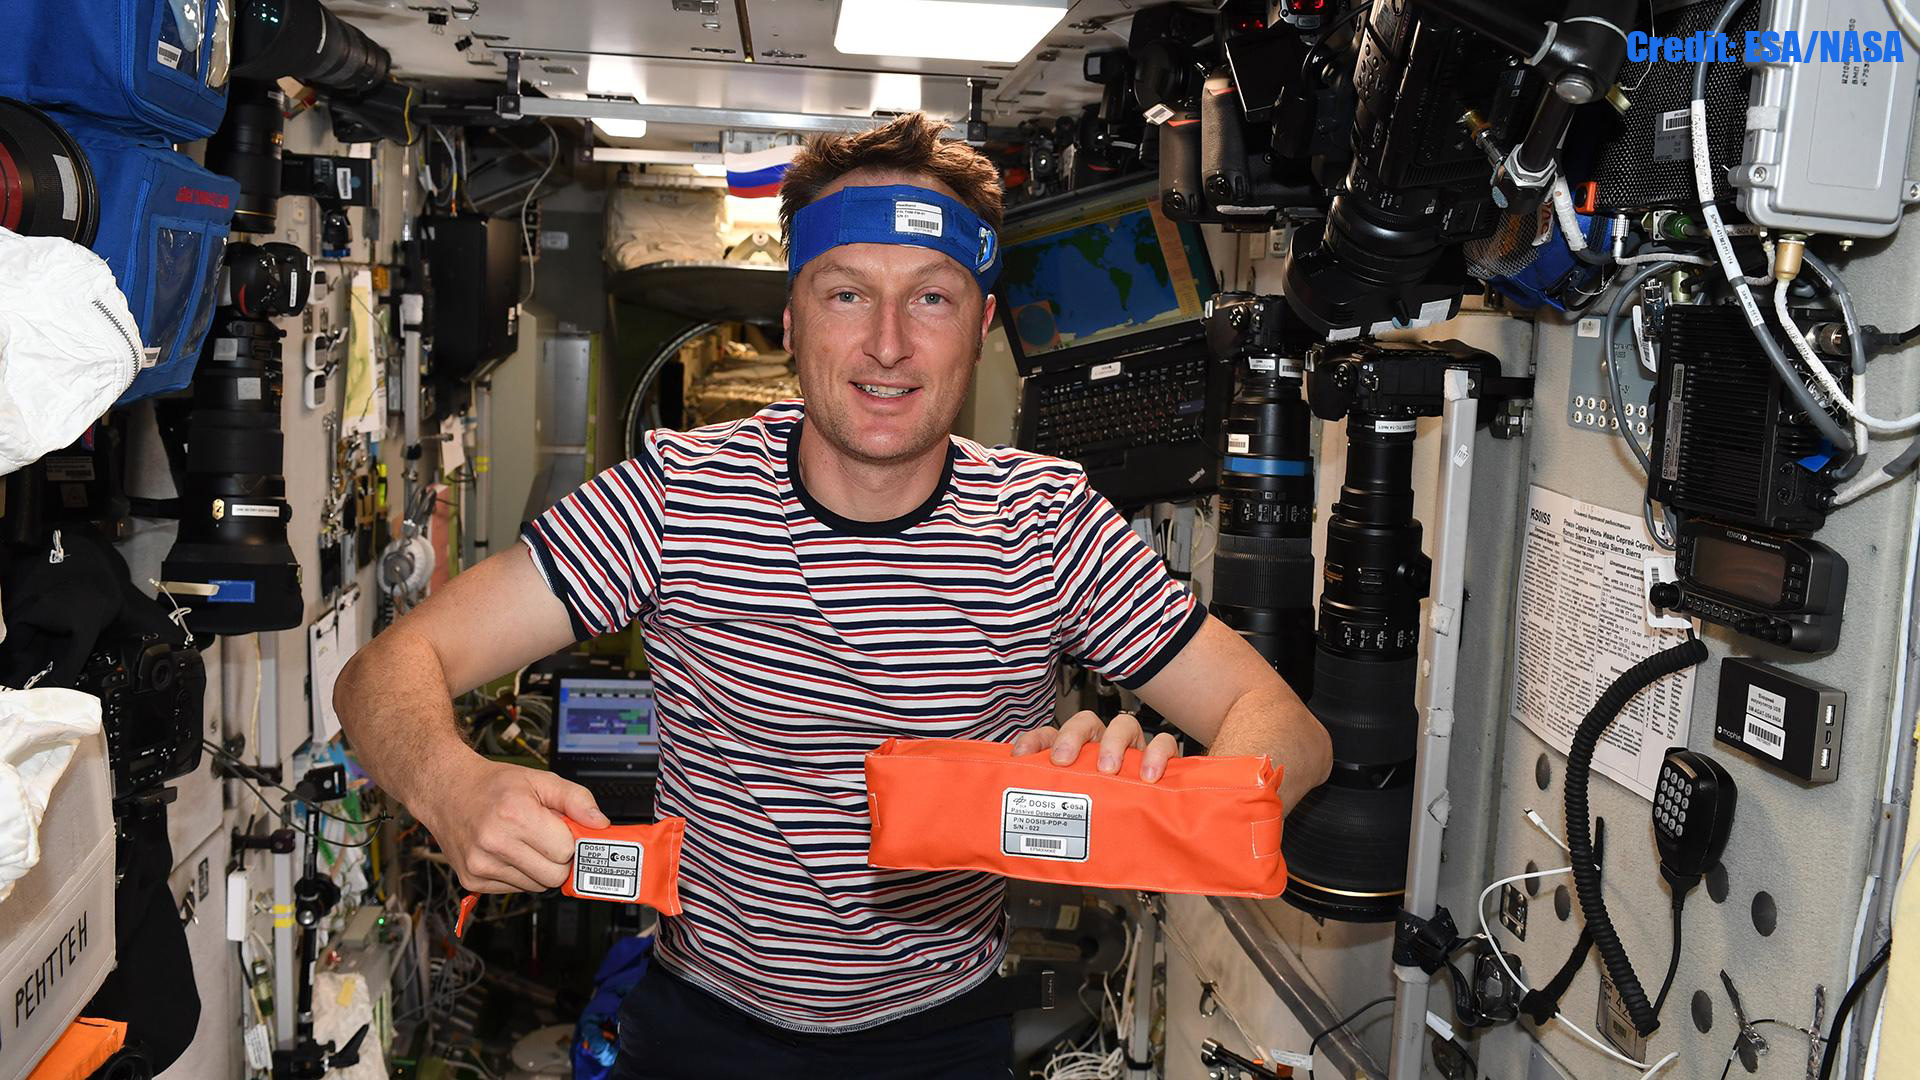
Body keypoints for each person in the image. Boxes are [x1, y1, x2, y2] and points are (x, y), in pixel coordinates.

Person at [333, 112, 1331, 1079]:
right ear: (792, 318)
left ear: (983, 326)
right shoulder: (676, 498)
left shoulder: (1045, 523)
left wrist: (1173, 803)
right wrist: (453, 787)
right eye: (847, 293)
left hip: (938, 1037)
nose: (888, 344)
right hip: (700, 1026)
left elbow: (1285, 727)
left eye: (932, 298)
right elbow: (386, 670)